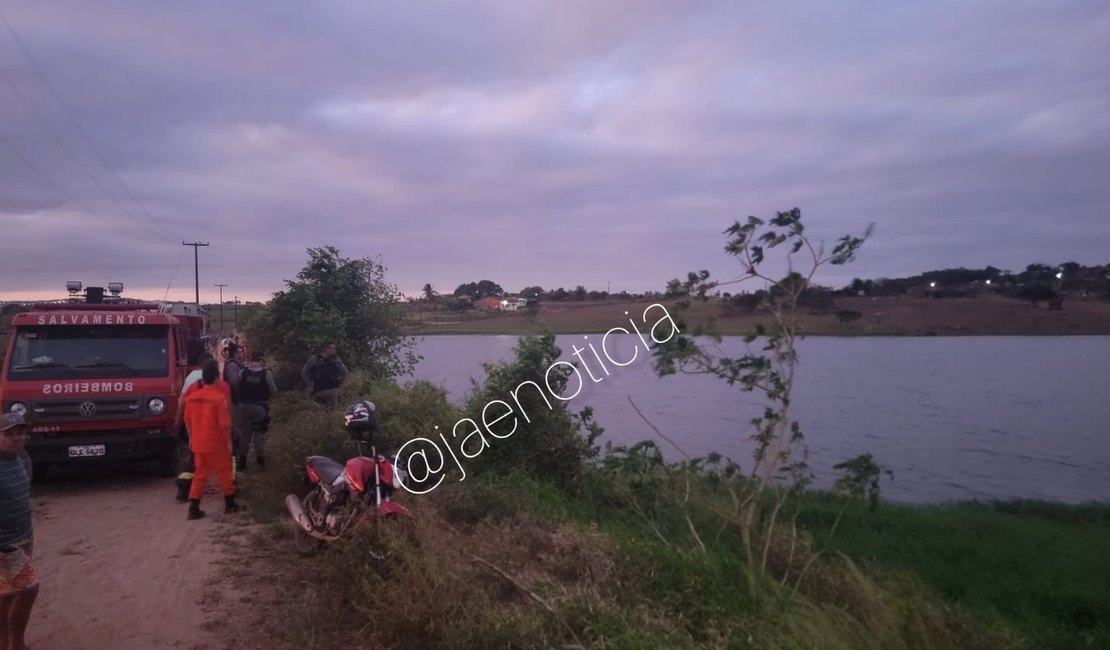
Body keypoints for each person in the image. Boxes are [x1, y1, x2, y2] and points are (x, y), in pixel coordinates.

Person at [0, 412, 37, 650]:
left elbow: (24, 492)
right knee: (29, 589)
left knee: (7, 593)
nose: (17, 438)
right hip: (4, 542)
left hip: (24, 534)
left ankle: (5, 643)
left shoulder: (22, 457)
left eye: (21, 433)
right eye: (10, 434)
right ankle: (17, 646)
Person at [184, 360, 239, 520]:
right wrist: (229, 442)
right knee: (224, 473)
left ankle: (193, 508)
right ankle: (230, 504)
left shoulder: (192, 398)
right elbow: (225, 424)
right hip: (216, 444)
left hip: (198, 444)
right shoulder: (219, 398)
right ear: (216, 378)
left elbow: (187, 420)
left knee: (199, 475)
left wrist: (191, 438)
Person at [236, 352, 277, 471]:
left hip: (243, 407)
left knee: (245, 435)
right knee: (258, 435)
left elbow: (238, 386)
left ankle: (242, 463)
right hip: (260, 408)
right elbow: (274, 390)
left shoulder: (242, 372)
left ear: (250, 359)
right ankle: (260, 463)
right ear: (261, 360)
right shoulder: (266, 374)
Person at [222, 343, 246, 469]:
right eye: (240, 352)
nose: (242, 354)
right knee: (236, 431)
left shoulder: (235, 365)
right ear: (235, 353)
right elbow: (234, 383)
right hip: (234, 402)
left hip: (236, 400)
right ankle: (235, 462)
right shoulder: (232, 366)